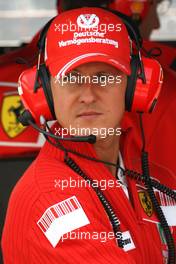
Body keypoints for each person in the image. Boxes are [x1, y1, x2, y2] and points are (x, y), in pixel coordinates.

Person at [2, 7, 176, 264]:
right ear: (44, 92)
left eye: (104, 77)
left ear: (136, 86)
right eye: (72, 77)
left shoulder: (156, 179)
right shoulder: (49, 202)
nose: (88, 95)